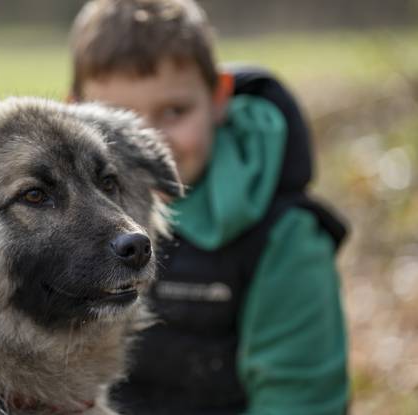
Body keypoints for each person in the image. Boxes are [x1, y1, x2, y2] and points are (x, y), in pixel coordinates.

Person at [67, 1, 350, 414]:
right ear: (73, 111)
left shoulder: (283, 237)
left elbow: (300, 396)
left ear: (218, 99)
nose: (149, 143)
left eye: (175, 112)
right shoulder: (54, 230)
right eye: (117, 117)